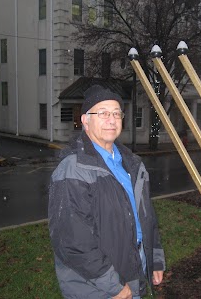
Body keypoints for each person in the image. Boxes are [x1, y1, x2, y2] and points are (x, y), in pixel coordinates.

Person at [48, 84, 165, 299]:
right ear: (85, 120)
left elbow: (147, 217)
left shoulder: (132, 165)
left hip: (134, 264)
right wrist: (113, 285)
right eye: (102, 113)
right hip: (95, 285)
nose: (111, 120)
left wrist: (154, 259)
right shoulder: (73, 169)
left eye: (116, 113)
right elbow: (73, 241)